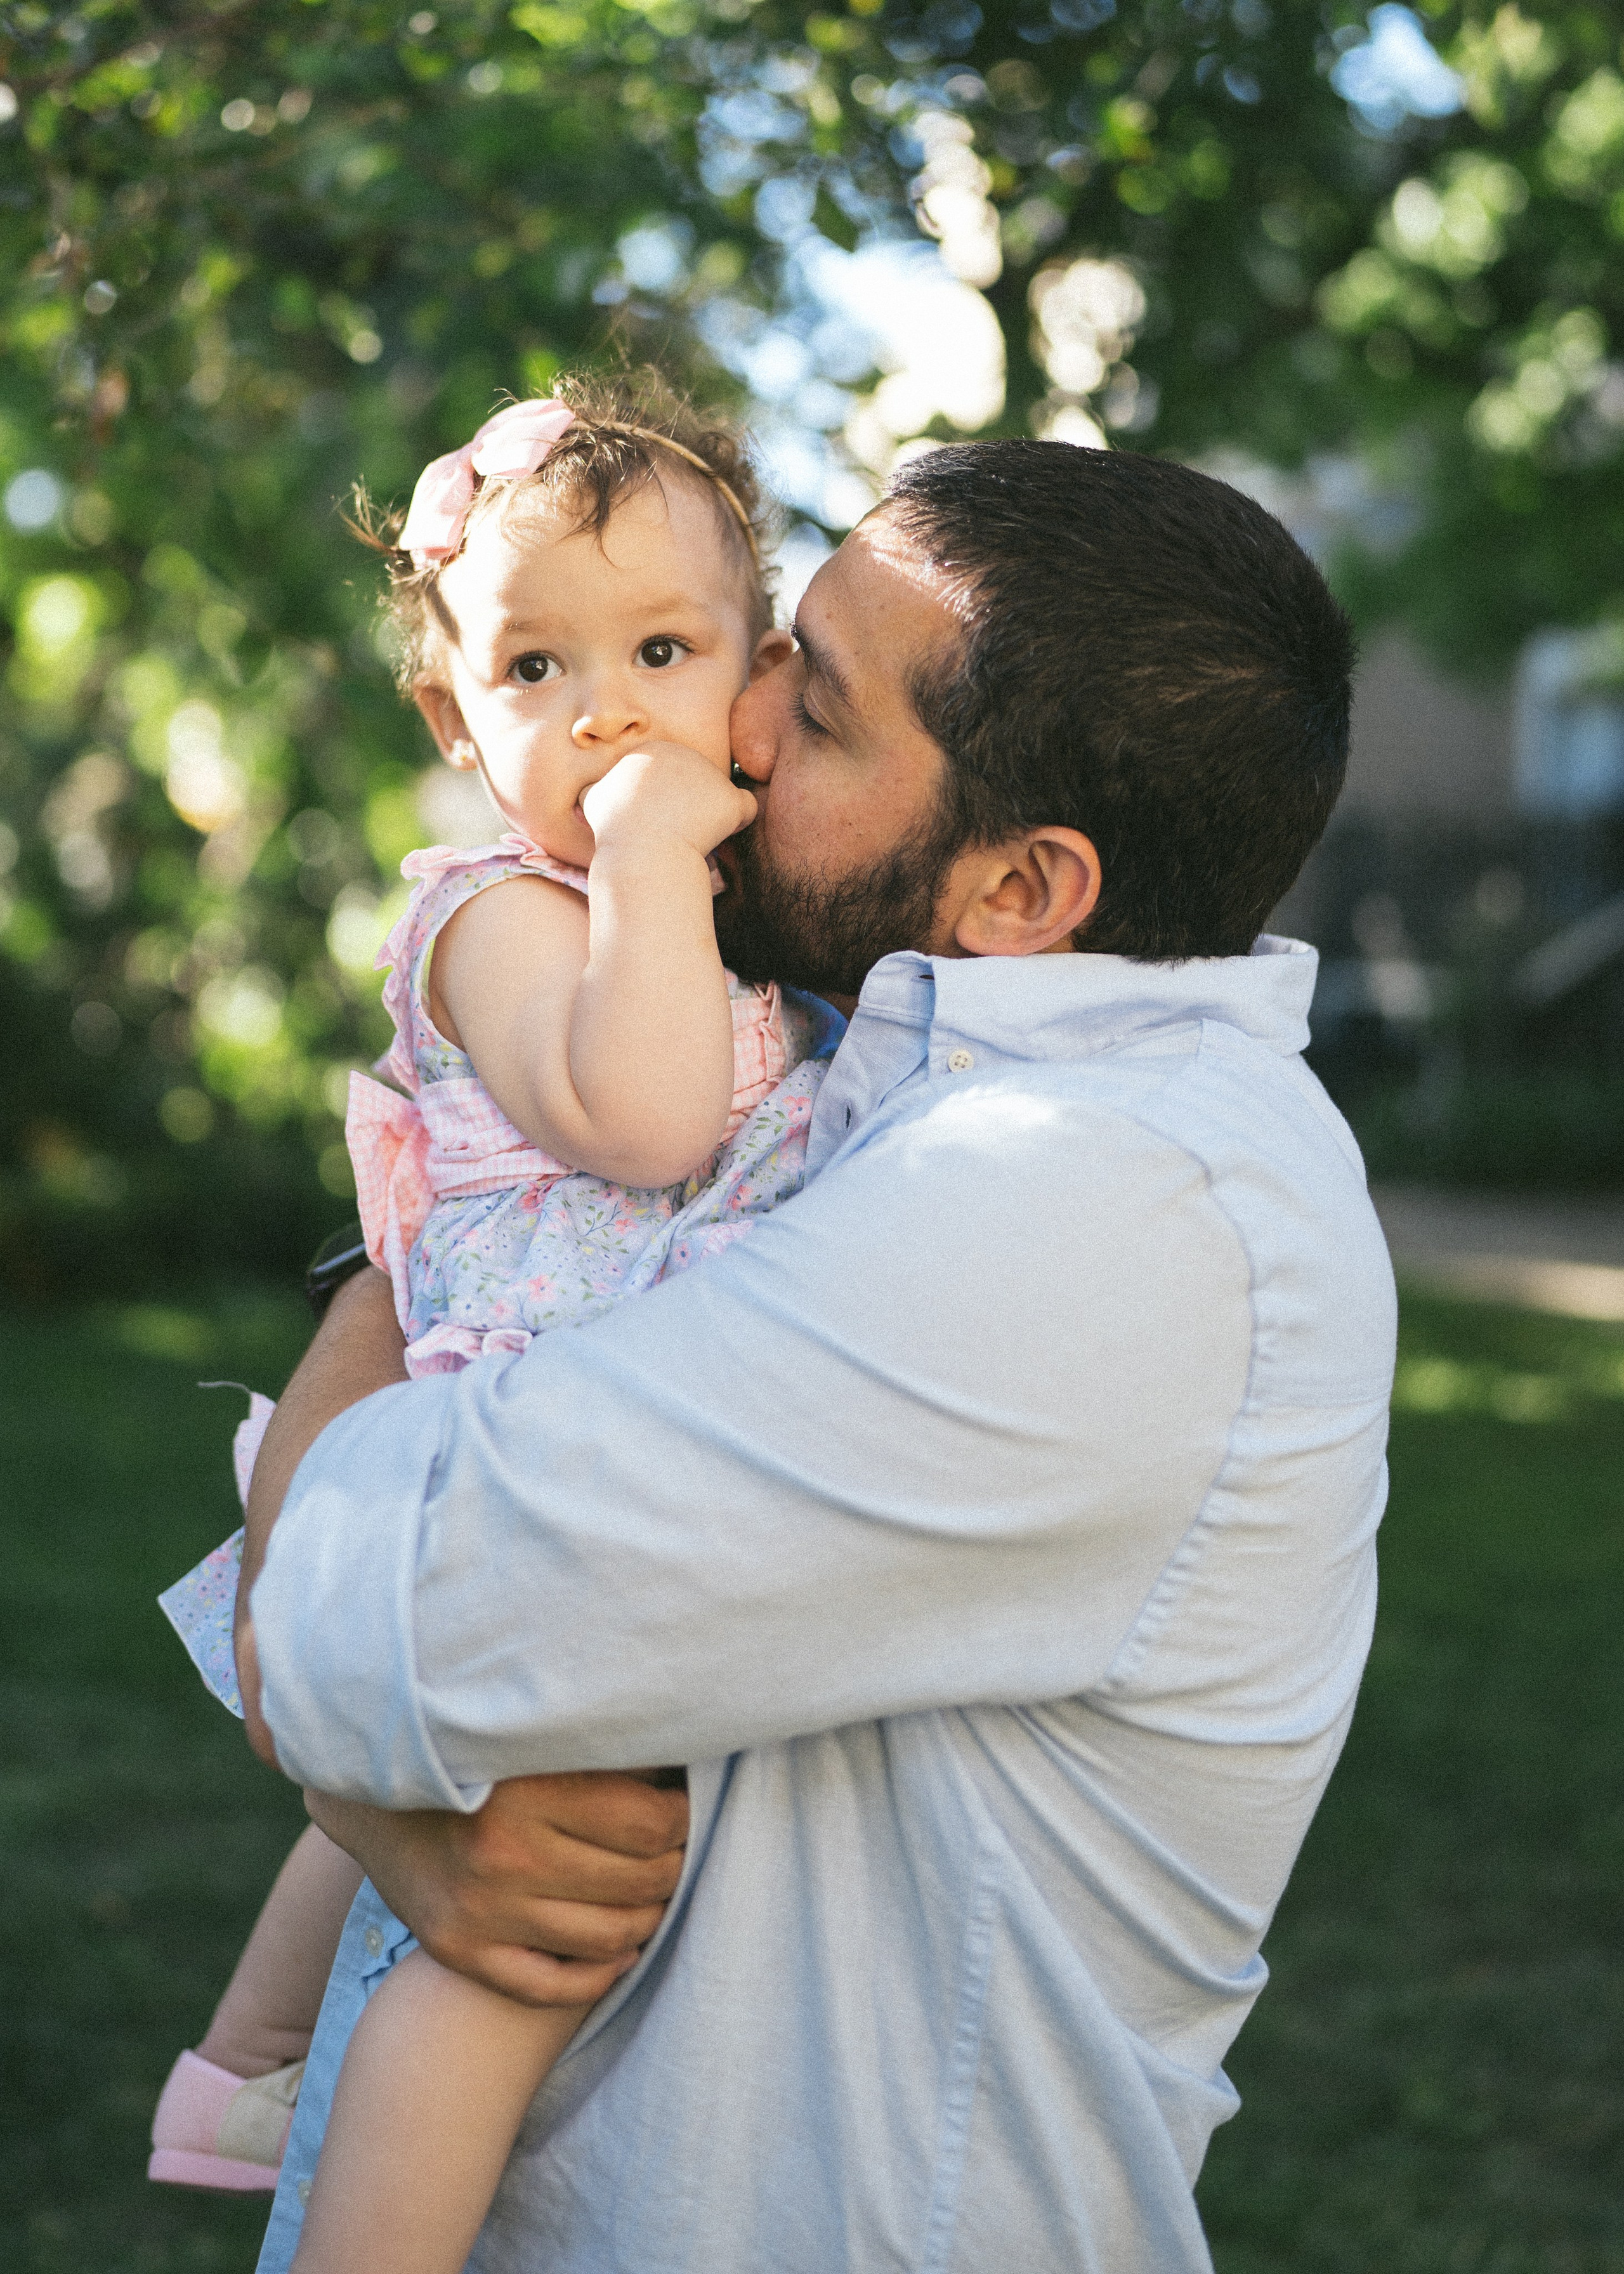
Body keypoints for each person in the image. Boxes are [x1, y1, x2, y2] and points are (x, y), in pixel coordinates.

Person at [243, 440, 1396, 2274]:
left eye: (824, 711)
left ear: (1021, 891)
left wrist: (360, 1732)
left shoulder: (1086, 1205)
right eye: (773, 642)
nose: (732, 725)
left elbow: (361, 1604)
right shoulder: (899, 1060)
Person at [150, 379, 835, 2273]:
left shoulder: (723, 918)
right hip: (505, 1490)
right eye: (537, 665)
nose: (609, 707)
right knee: (517, 1951)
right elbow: (647, 1118)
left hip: (594, 1466)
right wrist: (635, 858)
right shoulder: (499, 916)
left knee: (454, 1840)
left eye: (665, 650)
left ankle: (249, 2062)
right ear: (456, 721)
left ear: (758, 682)